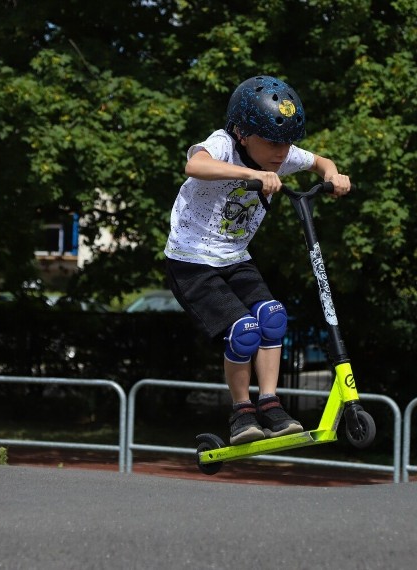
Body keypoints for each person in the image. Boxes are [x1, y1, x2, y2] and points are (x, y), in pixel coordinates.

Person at [164, 75, 351, 445]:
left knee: (273, 318)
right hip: (192, 261)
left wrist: (333, 175)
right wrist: (252, 173)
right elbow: (195, 166)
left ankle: (270, 404)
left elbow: (321, 161)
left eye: (287, 143)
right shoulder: (223, 144)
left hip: (235, 258)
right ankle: (241, 413)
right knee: (244, 331)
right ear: (244, 134)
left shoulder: (281, 156)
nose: (282, 153)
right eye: (272, 142)